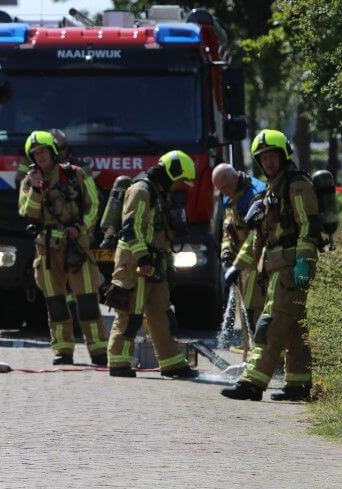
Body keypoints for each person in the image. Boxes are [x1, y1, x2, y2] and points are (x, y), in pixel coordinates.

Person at [221, 129, 321, 401]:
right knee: (294, 330)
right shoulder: (271, 190)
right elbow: (257, 238)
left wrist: (304, 261)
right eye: (263, 158)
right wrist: (238, 266)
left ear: (284, 154)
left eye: (273, 156)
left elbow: (308, 225)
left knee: (270, 325)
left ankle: (252, 383)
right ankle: (299, 385)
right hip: (276, 265)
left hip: (290, 266)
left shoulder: (296, 184)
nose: (268, 163)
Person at [104, 151, 200, 379]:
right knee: (130, 312)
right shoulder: (141, 191)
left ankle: (172, 363)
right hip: (135, 261)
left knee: (161, 312)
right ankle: (118, 362)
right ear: (171, 174)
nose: (179, 187)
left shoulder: (159, 194)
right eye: (179, 181)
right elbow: (131, 229)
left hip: (155, 262)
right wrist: (143, 259)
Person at [19, 130, 107, 365]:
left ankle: (99, 351)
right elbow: (27, 213)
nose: (41, 156)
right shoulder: (29, 182)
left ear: (53, 151)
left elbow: (94, 205)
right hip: (47, 251)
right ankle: (63, 351)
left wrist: (80, 228)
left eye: (44, 151)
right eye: (35, 154)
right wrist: (37, 189)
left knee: (88, 301)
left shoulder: (75, 174)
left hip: (77, 247)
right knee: (55, 304)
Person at [211, 163, 267, 328]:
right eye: (219, 189)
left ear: (235, 178)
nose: (223, 192)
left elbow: (255, 238)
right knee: (246, 311)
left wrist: (236, 266)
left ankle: (263, 351)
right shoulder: (229, 193)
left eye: (224, 187)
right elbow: (228, 228)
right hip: (243, 262)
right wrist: (226, 254)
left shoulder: (255, 196)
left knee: (254, 309)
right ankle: (250, 350)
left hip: (260, 260)